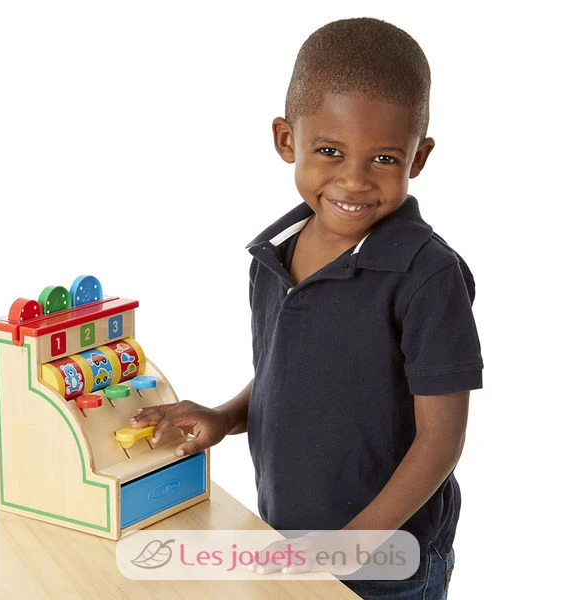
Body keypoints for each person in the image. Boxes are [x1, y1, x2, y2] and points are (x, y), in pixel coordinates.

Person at [130, 17, 483, 599]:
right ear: (285, 140)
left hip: (387, 562)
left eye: (384, 159)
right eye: (330, 151)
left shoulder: (428, 276)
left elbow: (441, 441)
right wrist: (225, 416)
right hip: (293, 545)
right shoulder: (273, 256)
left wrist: (352, 547)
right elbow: (286, 372)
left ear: (418, 158)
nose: (354, 180)